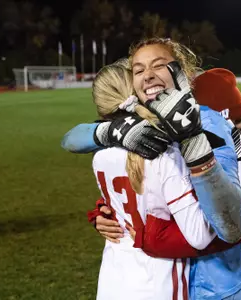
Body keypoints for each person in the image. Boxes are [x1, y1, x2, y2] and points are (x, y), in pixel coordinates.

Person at [93, 68, 241, 300]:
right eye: (227, 123)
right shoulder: (197, 149)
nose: (239, 129)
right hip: (220, 281)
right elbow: (158, 189)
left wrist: (149, 239)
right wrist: (110, 213)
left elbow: (233, 230)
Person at [62, 38, 241, 299]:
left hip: (216, 285)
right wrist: (108, 132)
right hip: (172, 278)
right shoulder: (138, 128)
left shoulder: (210, 124)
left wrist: (194, 142)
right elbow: (70, 139)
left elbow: (231, 226)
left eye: (159, 65)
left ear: (182, 73)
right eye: (139, 70)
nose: (148, 75)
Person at [90, 62, 222, 299]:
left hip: (112, 278)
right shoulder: (165, 152)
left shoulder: (99, 156)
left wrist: (99, 214)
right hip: (158, 280)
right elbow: (200, 235)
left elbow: (118, 206)